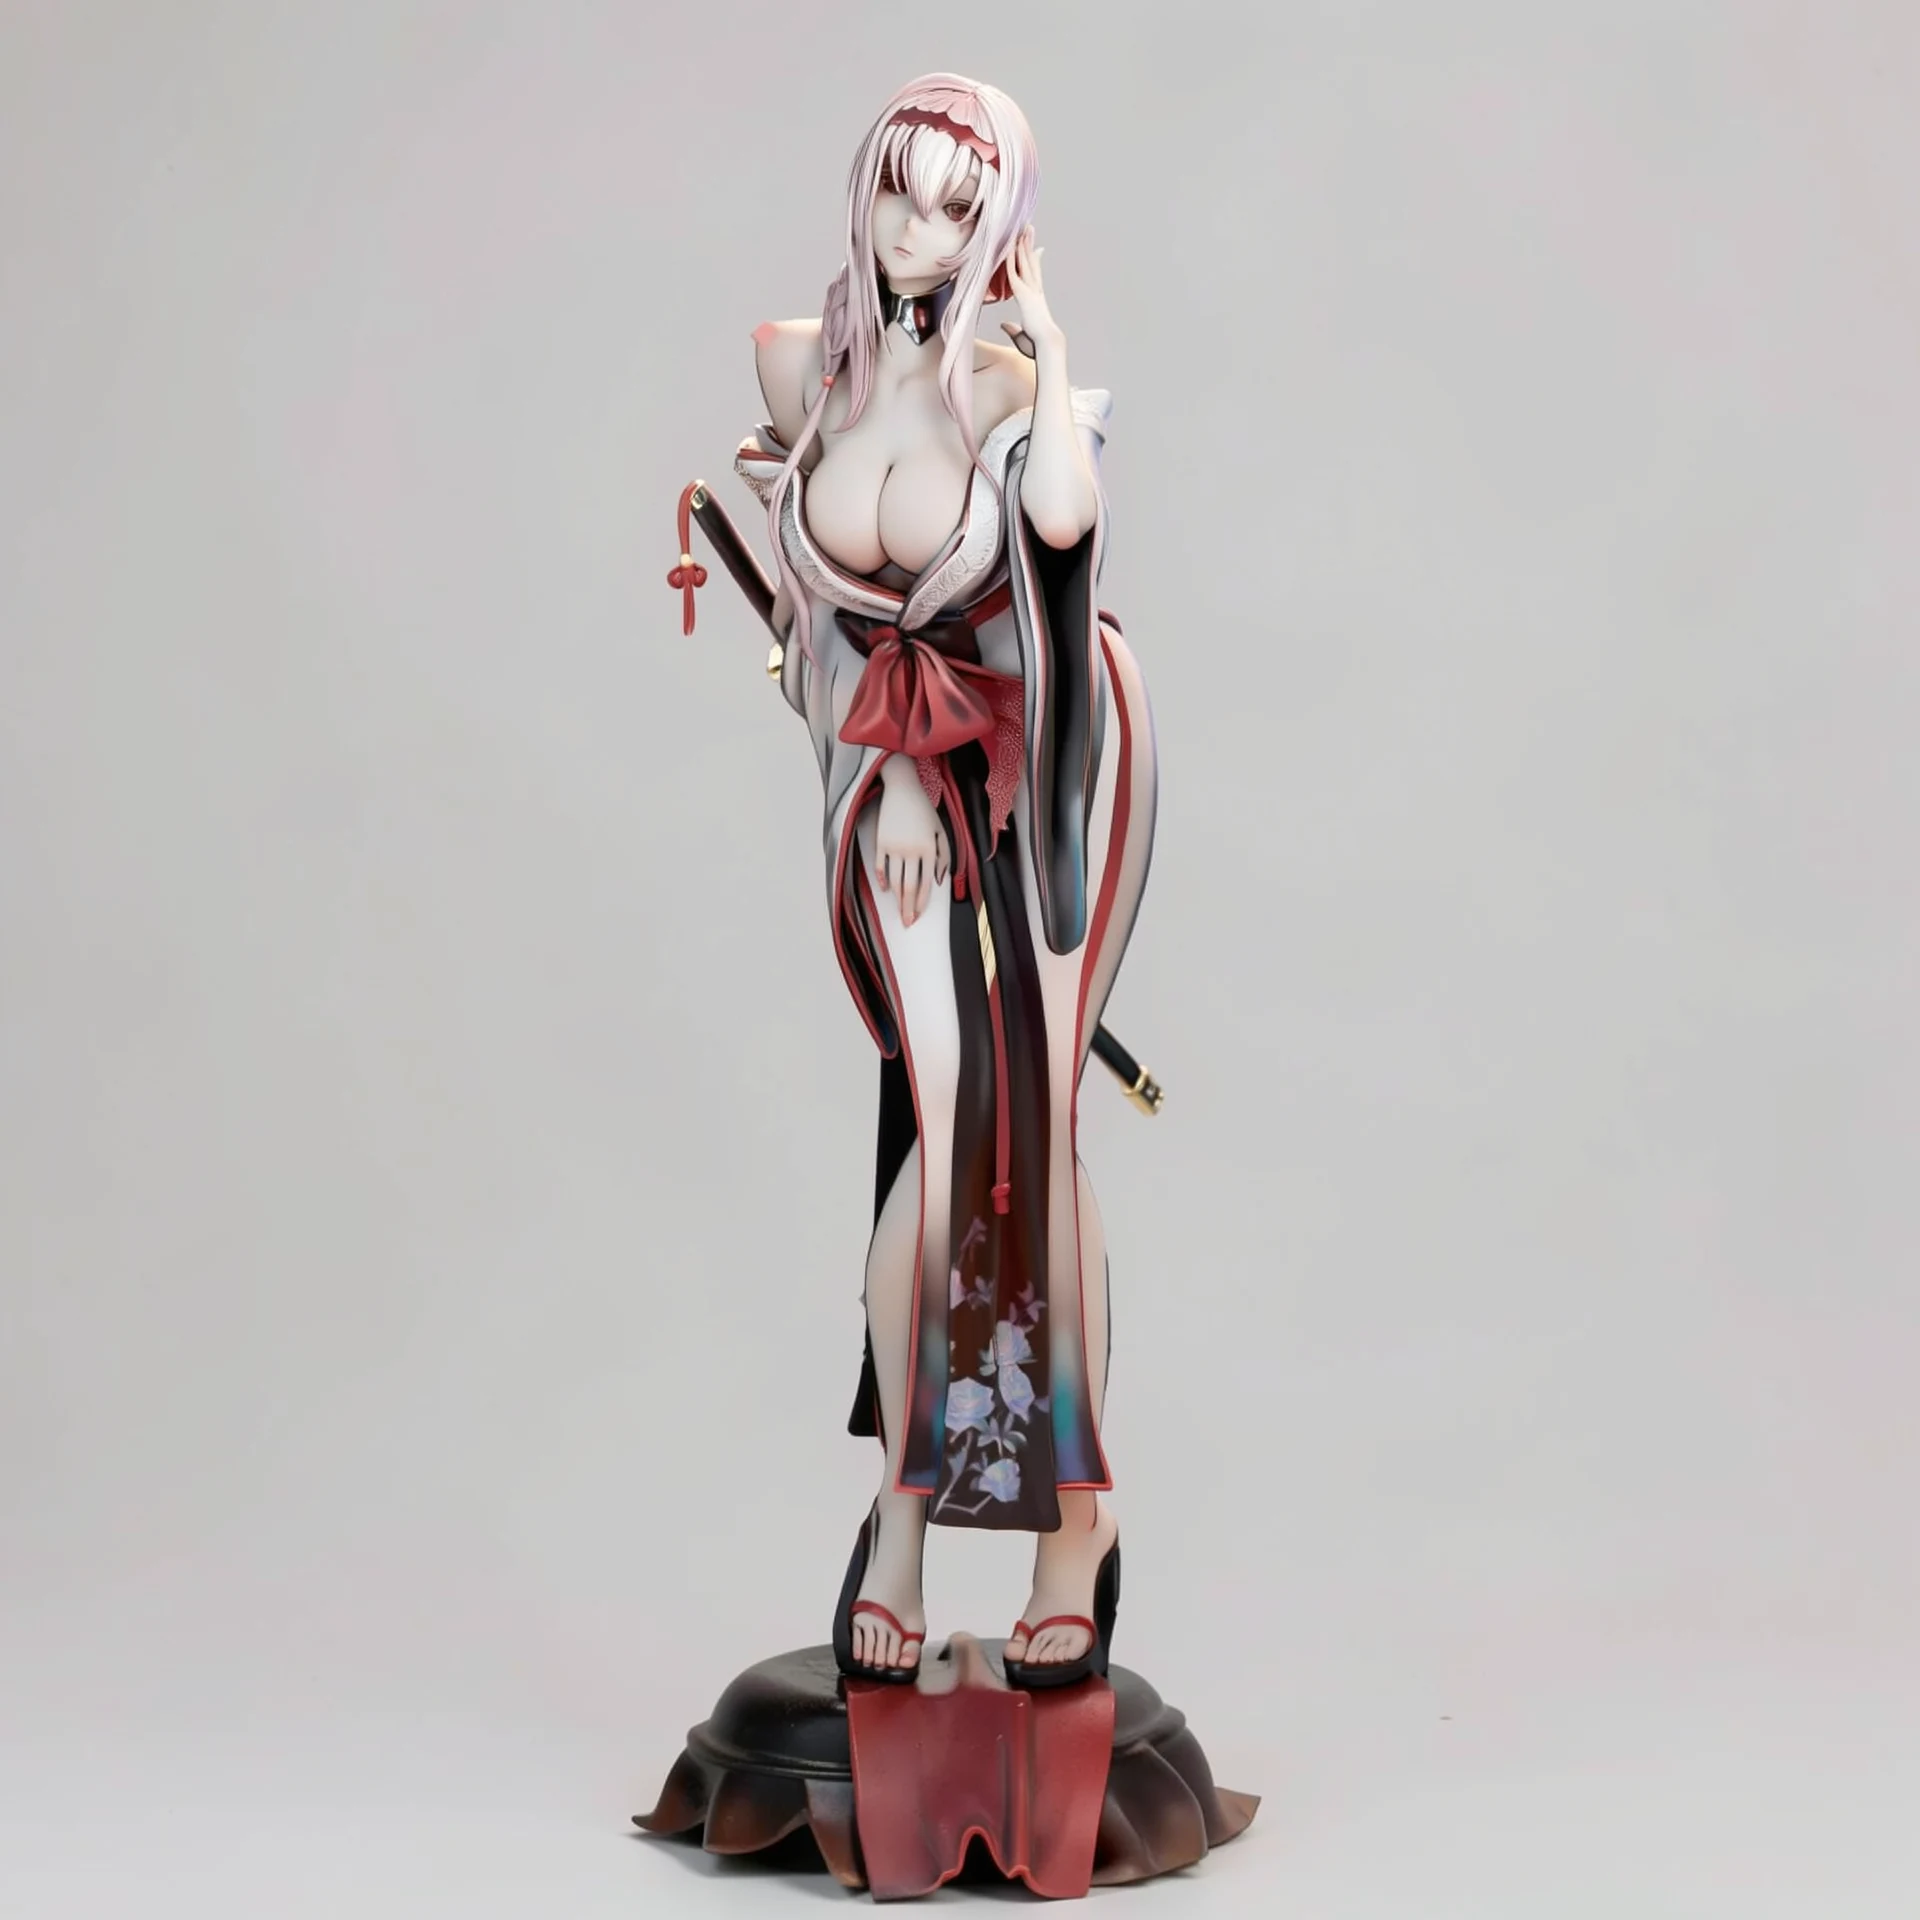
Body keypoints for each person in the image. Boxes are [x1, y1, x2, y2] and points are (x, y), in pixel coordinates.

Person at [728, 73, 1157, 1687]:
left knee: (1028, 1129)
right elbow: (824, 625)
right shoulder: (806, 366)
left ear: (1003, 227)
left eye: (960, 207)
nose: (920, 229)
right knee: (944, 1108)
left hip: (1044, 766)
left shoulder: (1004, 383)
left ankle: (1071, 1525)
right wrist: (896, 766)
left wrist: (1044, 344)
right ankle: (906, 1517)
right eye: (900, 192)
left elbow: (1065, 532)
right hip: (894, 778)